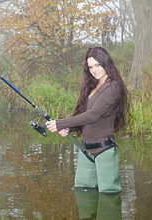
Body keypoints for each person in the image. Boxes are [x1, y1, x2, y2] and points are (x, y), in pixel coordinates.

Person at [45, 47, 129, 193]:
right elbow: (87, 118)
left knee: (109, 196)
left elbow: (93, 115)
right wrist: (70, 128)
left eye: (97, 65)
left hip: (105, 151)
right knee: (81, 190)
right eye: (90, 66)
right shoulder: (93, 86)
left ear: (106, 62)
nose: (94, 70)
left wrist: (60, 123)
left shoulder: (113, 87)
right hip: (86, 150)